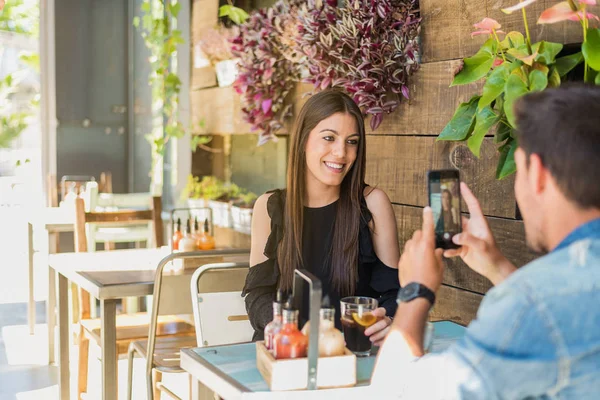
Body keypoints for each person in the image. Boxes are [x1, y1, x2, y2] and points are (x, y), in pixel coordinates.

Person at [372, 85, 600, 398]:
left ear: (539, 175)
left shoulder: (534, 304)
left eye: (518, 168)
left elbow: (393, 390)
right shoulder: (551, 296)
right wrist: (497, 267)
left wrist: (415, 292)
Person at [243, 89, 401, 345]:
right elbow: (257, 293)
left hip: (352, 355)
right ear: (304, 140)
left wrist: (388, 319)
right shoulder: (268, 207)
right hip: (285, 355)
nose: (341, 153)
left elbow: (394, 292)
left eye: (352, 142)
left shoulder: (372, 203)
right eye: (329, 138)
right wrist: (276, 326)